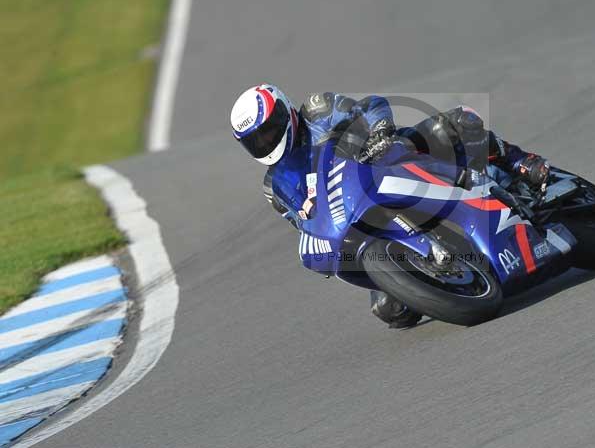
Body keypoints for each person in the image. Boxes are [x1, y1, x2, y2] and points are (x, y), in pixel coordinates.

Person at [230, 84, 550, 328]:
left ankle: (518, 163)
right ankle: (446, 274)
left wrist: (379, 130)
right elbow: (303, 222)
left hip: (387, 162)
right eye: (255, 141)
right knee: (391, 311)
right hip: (360, 218)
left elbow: (370, 106)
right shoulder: (275, 186)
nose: (266, 142)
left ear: (285, 113)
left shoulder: (318, 110)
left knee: (454, 125)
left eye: (269, 131)